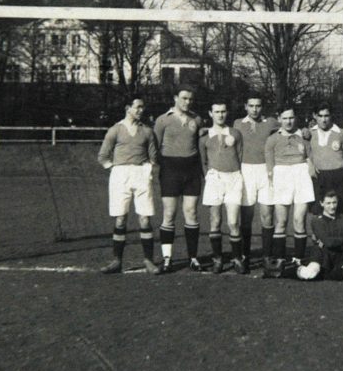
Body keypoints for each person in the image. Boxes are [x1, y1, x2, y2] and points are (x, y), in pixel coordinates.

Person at [97, 97, 158, 274]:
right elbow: (102, 156)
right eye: (137, 107)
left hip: (141, 174)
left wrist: (148, 170)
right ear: (127, 108)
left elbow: (153, 156)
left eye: (142, 107)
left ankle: (148, 261)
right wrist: (115, 170)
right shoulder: (115, 130)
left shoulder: (147, 131)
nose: (141, 110)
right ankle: (117, 260)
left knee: (145, 218)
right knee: (120, 218)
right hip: (120, 175)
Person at [153, 85, 204, 273]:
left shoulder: (197, 119)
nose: (187, 102)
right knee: (169, 214)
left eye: (190, 99)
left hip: (191, 171)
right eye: (184, 98)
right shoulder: (162, 120)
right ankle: (167, 258)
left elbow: (201, 144)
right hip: (170, 170)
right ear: (175, 98)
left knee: (191, 212)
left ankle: (193, 258)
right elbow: (154, 147)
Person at [264, 106, 315, 276]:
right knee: (281, 221)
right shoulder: (272, 139)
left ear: (296, 118)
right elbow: (269, 164)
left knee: (299, 219)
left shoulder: (304, 137)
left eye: (291, 118)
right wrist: (272, 179)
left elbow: (309, 157)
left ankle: (298, 259)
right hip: (281, 175)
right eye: (285, 118)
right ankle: (279, 260)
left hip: (300, 174)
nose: (288, 121)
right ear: (279, 119)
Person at [233, 93, 280, 270]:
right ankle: (245, 255)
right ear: (246, 106)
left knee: (267, 214)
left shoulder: (271, 122)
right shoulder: (238, 124)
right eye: (251, 105)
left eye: (258, 106)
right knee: (246, 216)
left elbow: (290, 127)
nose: (254, 109)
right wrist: (204, 130)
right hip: (246, 171)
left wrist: (305, 130)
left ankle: (267, 256)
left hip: (266, 171)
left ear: (262, 107)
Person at [199, 100, 246, 274]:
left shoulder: (235, 133)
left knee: (233, 221)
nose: (220, 115)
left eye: (223, 111)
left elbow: (240, 155)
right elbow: (202, 161)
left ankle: (237, 258)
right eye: (217, 111)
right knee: (215, 220)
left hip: (234, 177)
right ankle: (217, 259)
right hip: (214, 178)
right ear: (210, 114)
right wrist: (209, 176)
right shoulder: (204, 136)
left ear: (227, 113)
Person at [296, 191, 343, 281]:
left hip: (340, 258)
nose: (332, 206)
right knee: (309, 274)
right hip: (321, 256)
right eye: (328, 203)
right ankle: (291, 270)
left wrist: (328, 242)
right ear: (321, 203)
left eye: (334, 202)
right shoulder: (317, 220)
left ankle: (327, 274)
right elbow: (329, 242)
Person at [309, 102, 343, 216]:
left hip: (338, 176)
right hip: (319, 176)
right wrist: (310, 165)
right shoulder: (310, 133)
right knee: (319, 214)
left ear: (331, 116)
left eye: (326, 116)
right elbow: (307, 153)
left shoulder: (341, 133)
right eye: (320, 116)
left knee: (340, 213)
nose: (324, 119)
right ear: (314, 116)